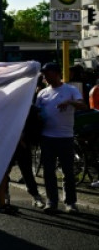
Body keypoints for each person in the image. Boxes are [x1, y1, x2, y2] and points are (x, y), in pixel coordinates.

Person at [35, 61, 88, 213]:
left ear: (57, 73)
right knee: (48, 171)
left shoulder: (70, 89)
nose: (45, 77)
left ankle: (70, 203)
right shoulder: (42, 93)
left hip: (65, 137)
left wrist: (70, 102)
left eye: (48, 74)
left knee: (68, 171)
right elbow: (36, 113)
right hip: (47, 137)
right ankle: (52, 201)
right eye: (44, 75)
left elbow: (83, 106)